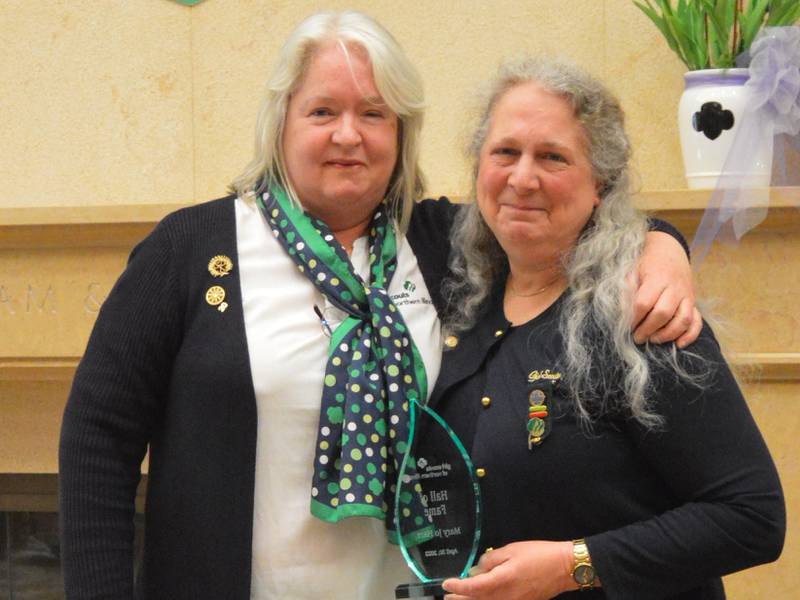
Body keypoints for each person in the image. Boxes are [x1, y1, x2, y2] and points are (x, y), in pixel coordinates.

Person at [59, 11, 700, 600]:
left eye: (373, 114)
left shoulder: (446, 244)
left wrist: (664, 249)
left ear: (401, 133)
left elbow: (572, 218)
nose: (349, 136)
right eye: (321, 113)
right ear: (279, 123)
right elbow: (98, 439)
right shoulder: (192, 248)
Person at [432, 58, 785, 600]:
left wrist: (575, 564)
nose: (522, 178)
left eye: (552, 157)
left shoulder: (644, 315)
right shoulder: (454, 298)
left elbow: (752, 517)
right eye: (505, 152)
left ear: (600, 183)